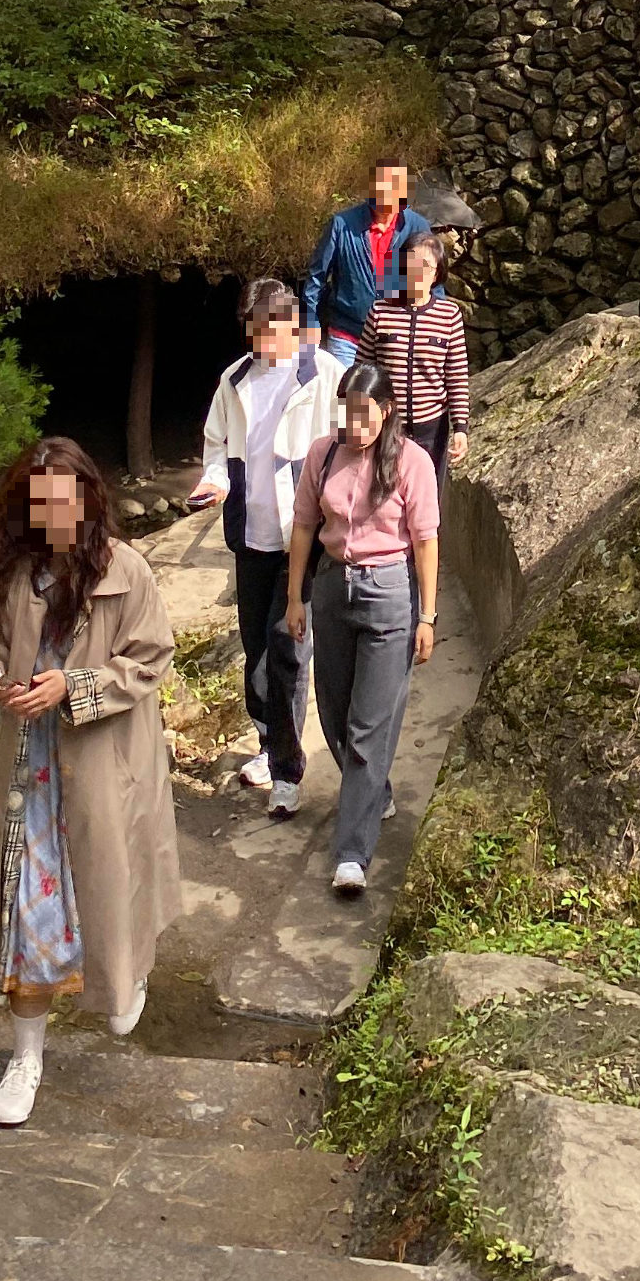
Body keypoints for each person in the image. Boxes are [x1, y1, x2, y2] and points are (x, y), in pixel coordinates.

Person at [0, 434, 183, 1129]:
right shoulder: (10, 572)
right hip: (30, 776)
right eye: (41, 504)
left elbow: (151, 657)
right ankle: (26, 1057)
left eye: (66, 502)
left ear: (88, 499)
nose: (55, 516)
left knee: (112, 896)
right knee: (26, 913)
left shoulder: (125, 570)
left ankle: (126, 976)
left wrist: (74, 685)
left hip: (103, 767)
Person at [285, 359, 439, 898]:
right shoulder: (323, 454)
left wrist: (427, 616)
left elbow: (426, 541)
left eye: (365, 415)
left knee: (369, 728)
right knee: (334, 712)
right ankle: (375, 792)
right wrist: (295, 597)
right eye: (346, 414)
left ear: (387, 410)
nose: (355, 426)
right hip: (332, 588)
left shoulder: (413, 461)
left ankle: (351, 855)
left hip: (389, 595)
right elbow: (304, 525)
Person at [187, 277, 338, 818]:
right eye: (252, 331)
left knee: (287, 648)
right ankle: (270, 742)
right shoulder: (234, 379)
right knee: (256, 651)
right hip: (251, 535)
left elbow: (347, 445)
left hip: (302, 536)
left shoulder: (323, 375)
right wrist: (213, 483)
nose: (260, 341)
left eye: (268, 330)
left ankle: (287, 772)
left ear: (291, 325)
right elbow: (217, 447)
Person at [300, 155, 431, 366]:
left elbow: (432, 280)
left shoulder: (417, 227)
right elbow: (317, 279)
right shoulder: (342, 224)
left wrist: (432, 329)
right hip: (347, 336)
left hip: (397, 338)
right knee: (345, 389)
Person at [366, 232, 470, 484]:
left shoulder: (449, 315)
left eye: (423, 266)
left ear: (436, 274)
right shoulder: (380, 311)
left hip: (431, 429)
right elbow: (363, 371)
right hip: (387, 426)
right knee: (383, 493)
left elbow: (456, 375)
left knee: (425, 496)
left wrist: (460, 427)